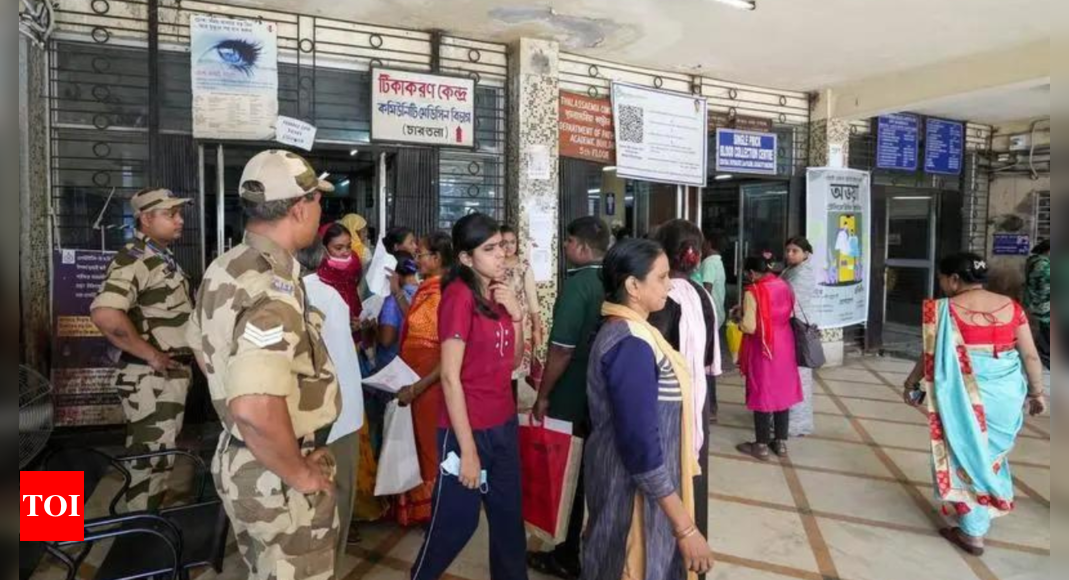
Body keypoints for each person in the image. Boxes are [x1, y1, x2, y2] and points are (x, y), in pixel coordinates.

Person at [187, 150, 341, 580]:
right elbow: (253, 407)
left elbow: (202, 350)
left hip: (246, 456)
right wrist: (301, 474)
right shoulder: (271, 291)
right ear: (298, 208)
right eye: (316, 201)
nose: (319, 210)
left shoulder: (226, 267)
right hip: (277, 471)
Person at [584, 239, 715, 580]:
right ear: (633, 286)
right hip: (632, 498)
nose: (669, 285)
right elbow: (641, 448)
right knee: (630, 567)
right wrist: (685, 527)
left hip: (631, 486)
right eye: (661, 277)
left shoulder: (636, 333)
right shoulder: (631, 344)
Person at [901, 253, 1047, 557]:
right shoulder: (1012, 308)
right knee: (989, 455)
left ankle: (972, 532)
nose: (941, 284)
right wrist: (1037, 393)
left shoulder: (944, 311)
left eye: (942, 278)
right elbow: (1031, 356)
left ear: (954, 279)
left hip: (962, 397)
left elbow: (929, 356)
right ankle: (984, 507)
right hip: (1005, 395)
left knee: (961, 456)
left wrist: (911, 383)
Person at [410, 213, 528, 580]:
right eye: (489, 249)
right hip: (466, 431)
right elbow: (449, 376)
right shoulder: (458, 297)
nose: (500, 257)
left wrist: (518, 315)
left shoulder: (496, 294)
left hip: (503, 425)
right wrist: (469, 452)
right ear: (465, 258)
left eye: (502, 248)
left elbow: (513, 361)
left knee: (510, 526)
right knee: (455, 527)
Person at [90, 188, 194, 512]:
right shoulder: (133, 259)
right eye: (170, 214)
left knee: (157, 459)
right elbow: (106, 314)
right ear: (146, 219)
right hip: (151, 377)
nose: (179, 220)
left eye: (179, 213)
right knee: (150, 460)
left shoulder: (159, 256)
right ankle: (140, 534)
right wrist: (150, 354)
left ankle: (147, 524)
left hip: (165, 377)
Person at [528, 216, 612, 579]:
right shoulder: (613, 279)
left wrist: (543, 394)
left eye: (568, 241)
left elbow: (561, 349)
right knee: (592, 476)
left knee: (569, 477)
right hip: (603, 396)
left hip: (573, 393)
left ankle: (566, 554)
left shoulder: (578, 285)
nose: (564, 247)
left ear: (580, 246)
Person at [649, 220, 722, 575]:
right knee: (695, 479)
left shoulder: (663, 299)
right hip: (699, 400)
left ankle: (672, 562)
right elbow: (708, 358)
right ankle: (697, 560)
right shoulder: (703, 295)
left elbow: (655, 357)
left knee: (669, 479)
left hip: (670, 403)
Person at [296, 241, 365, 570]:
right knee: (335, 509)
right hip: (343, 417)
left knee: (319, 515)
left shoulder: (300, 296)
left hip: (324, 423)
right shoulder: (328, 293)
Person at [395, 232, 453, 527]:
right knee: (416, 442)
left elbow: (449, 353)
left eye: (421, 255)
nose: (416, 259)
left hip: (431, 383)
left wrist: (419, 386)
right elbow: (413, 325)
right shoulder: (425, 290)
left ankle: (435, 512)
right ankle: (421, 509)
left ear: (438, 259)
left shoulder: (446, 294)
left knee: (430, 446)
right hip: (413, 378)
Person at [733, 254, 803, 461]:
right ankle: (780, 443)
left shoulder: (753, 291)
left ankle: (761, 445)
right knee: (782, 392)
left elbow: (750, 326)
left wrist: (738, 319)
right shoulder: (784, 285)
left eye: (748, 273)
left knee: (762, 391)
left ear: (752, 273)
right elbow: (789, 311)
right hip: (784, 342)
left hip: (763, 346)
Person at [500, 224, 545, 404]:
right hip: (498, 325)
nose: (509, 246)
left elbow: (533, 301)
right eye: (504, 242)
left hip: (520, 328)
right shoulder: (493, 266)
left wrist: (536, 329)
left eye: (513, 242)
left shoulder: (524, 267)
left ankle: (510, 410)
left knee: (514, 375)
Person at [782, 237, 818, 437]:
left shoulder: (803, 274)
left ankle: (796, 424)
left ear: (806, 253)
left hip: (798, 330)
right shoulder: (792, 270)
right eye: (788, 250)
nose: (789, 254)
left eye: (795, 251)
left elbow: (789, 300)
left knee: (798, 377)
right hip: (792, 328)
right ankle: (788, 419)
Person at [318, 223, 364, 323]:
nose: (346, 252)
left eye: (348, 246)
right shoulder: (317, 270)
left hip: (355, 315)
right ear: (324, 248)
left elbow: (357, 287)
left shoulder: (355, 261)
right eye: (338, 248)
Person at [693, 230, 728, 330]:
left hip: (710, 313)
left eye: (703, 243)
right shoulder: (717, 261)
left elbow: (707, 289)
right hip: (717, 312)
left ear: (709, 244)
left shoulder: (710, 262)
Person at [1024, 240, 1051, 369]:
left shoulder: (1038, 261)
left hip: (1042, 305)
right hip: (1042, 306)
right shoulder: (1041, 263)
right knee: (1046, 335)